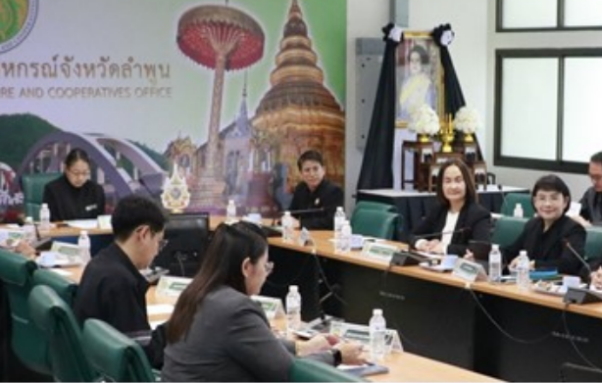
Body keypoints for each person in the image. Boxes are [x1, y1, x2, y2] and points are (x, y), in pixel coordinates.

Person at [162, 221, 364, 382]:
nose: (266, 274)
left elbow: (255, 345)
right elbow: (288, 373)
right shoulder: (236, 309)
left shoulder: (197, 293)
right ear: (246, 267)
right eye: (265, 266)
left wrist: (302, 347)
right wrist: (337, 355)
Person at [73, 195, 166, 365]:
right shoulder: (121, 282)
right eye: (158, 242)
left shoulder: (100, 262)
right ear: (144, 234)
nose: (157, 251)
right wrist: (174, 327)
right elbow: (142, 357)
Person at [503, 175, 587, 276]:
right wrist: (493, 252)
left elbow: (569, 264)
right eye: (542, 198)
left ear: (565, 202)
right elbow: (511, 252)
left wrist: (535, 264)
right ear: (535, 201)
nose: (547, 204)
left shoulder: (574, 230)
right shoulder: (532, 225)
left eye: (554, 198)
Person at [411, 158, 491, 256]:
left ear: (467, 183)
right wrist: (422, 243)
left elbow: (482, 249)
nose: (453, 186)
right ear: (441, 185)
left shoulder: (478, 214)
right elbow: (412, 235)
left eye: (458, 180)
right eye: (447, 181)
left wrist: (444, 248)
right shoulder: (438, 210)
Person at [42, 148, 106, 221]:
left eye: (85, 173)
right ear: (66, 169)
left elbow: (101, 221)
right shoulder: (52, 190)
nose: (80, 178)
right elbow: (52, 222)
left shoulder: (96, 190)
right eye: (76, 173)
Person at [288, 150, 343, 230]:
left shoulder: (334, 191)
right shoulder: (300, 189)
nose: (312, 174)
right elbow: (292, 214)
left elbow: (331, 221)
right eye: (307, 170)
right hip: (303, 235)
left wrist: (301, 224)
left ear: (323, 170)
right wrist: (285, 219)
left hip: (325, 236)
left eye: (315, 169)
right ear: (301, 174)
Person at [398, 44, 435, 121]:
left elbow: (428, 111)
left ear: (423, 63)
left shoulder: (427, 84)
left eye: (417, 60)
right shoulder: (405, 82)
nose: (414, 64)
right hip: (402, 123)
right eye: (412, 60)